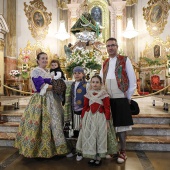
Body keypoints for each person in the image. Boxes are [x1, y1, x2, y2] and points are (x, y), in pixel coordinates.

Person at [14, 52, 69, 158]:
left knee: (54, 122)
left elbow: (53, 83)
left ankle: (55, 148)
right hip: (40, 100)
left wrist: (57, 85)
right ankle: (36, 150)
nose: (45, 60)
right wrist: (57, 86)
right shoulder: (35, 71)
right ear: (38, 60)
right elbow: (40, 86)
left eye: (46, 58)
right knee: (40, 123)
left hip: (52, 99)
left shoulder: (49, 71)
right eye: (42, 58)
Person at [100, 38, 136, 163]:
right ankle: (113, 150)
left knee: (121, 126)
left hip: (121, 97)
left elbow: (132, 79)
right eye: (108, 46)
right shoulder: (105, 62)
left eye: (113, 45)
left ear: (117, 46)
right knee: (111, 126)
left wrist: (129, 97)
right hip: (108, 99)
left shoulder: (124, 60)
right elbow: (101, 80)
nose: (110, 48)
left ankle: (123, 151)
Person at [76, 75, 118, 166]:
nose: (95, 84)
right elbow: (85, 107)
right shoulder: (88, 94)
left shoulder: (104, 94)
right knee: (91, 136)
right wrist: (82, 119)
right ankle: (93, 156)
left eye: (97, 82)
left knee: (99, 136)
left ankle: (98, 157)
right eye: (93, 82)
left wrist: (107, 120)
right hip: (89, 117)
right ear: (91, 83)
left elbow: (107, 108)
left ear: (101, 84)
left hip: (100, 118)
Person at [66, 66, 88, 161]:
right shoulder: (72, 84)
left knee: (81, 132)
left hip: (82, 112)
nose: (77, 74)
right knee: (74, 132)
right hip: (73, 111)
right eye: (75, 73)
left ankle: (81, 151)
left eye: (79, 73)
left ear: (83, 74)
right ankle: (74, 149)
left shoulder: (86, 85)